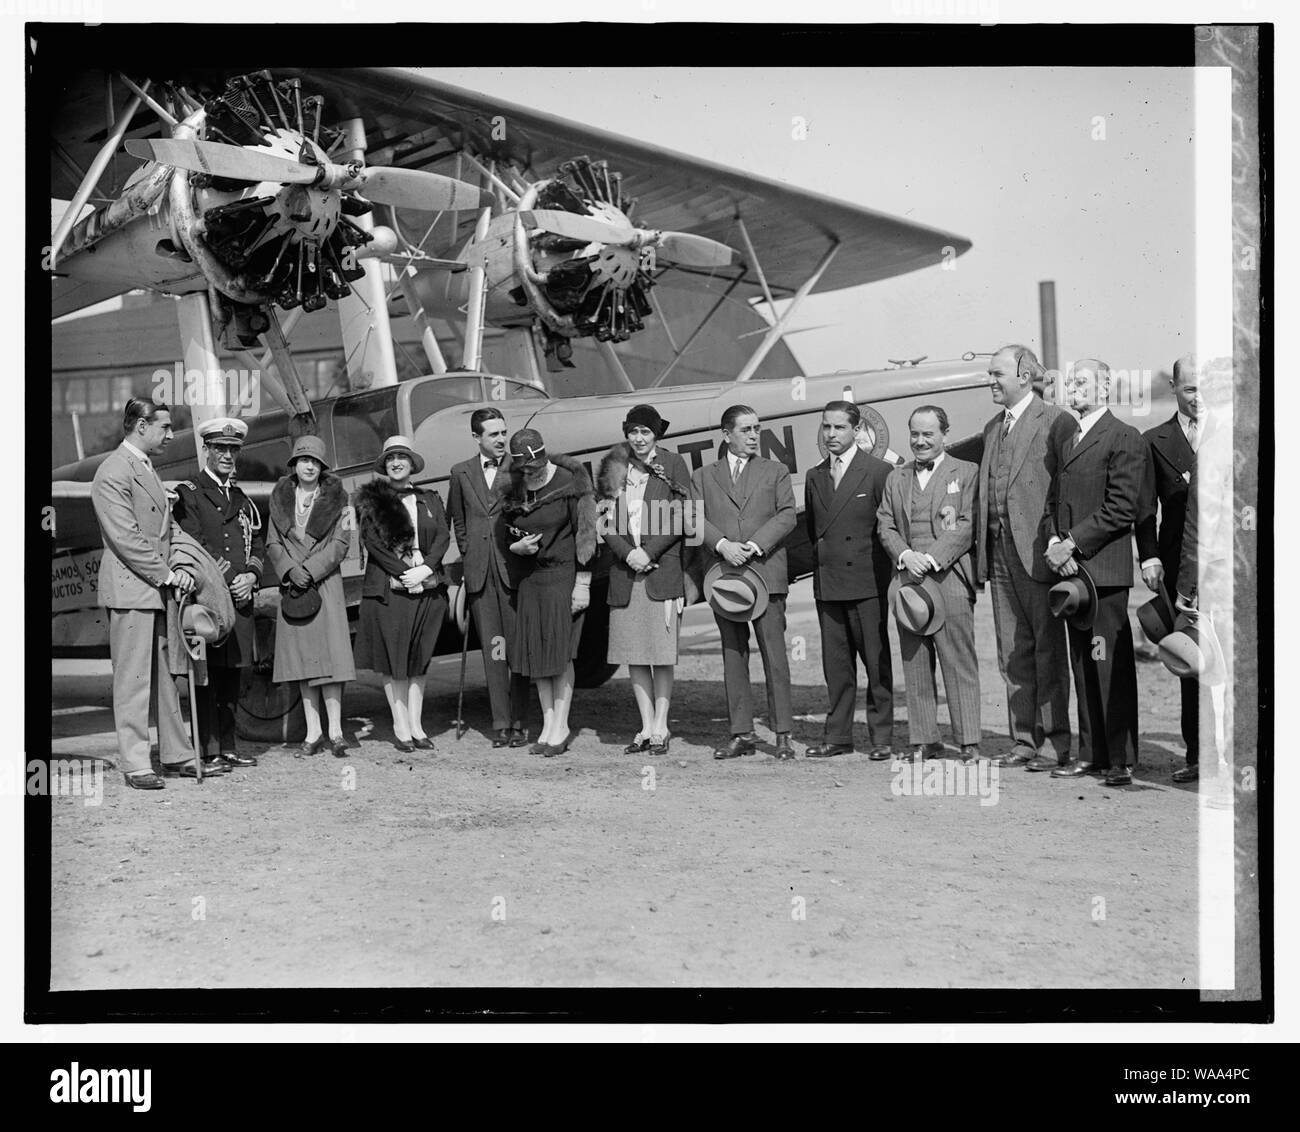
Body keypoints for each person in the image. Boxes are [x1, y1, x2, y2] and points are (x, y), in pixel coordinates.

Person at [1041, 358, 1145, 787]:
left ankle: (1120, 758)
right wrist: (1053, 542)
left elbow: (1123, 507)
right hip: (1071, 575)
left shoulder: (1124, 437)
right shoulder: (1069, 439)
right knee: (1083, 664)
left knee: (1110, 665)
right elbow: (1054, 503)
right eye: (1071, 383)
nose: (1074, 389)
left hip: (1103, 575)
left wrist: (1073, 543)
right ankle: (1091, 753)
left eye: (1083, 382)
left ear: (1105, 387)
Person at [92, 397, 203, 790]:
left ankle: (175, 754)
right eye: (165, 427)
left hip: (154, 589)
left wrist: (180, 572)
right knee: (134, 680)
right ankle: (136, 764)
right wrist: (168, 575)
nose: (172, 434)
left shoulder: (144, 467)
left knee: (167, 677)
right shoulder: (113, 472)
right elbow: (126, 538)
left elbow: (161, 531)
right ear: (141, 425)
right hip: (132, 590)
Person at [976, 345, 1077, 771]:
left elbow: (1068, 488)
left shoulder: (1056, 420)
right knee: (1012, 650)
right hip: (1000, 555)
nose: (991, 381)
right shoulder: (991, 427)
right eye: (989, 374)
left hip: (1039, 555)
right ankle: (1023, 739)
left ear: (1024, 374)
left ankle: (1056, 741)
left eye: (997, 373)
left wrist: (1061, 541)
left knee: (1047, 651)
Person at [692, 404, 798, 760]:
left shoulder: (776, 470)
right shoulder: (704, 476)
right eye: (746, 430)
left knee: (775, 654)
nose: (754, 436)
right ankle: (742, 733)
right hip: (724, 578)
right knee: (733, 654)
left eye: (757, 429)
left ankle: (783, 733)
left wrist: (752, 546)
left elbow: (787, 515)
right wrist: (723, 546)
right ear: (726, 435)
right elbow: (693, 519)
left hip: (766, 573)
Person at [877, 405, 982, 762]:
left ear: (945, 435)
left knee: (957, 660)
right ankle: (925, 739)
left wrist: (933, 558)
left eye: (928, 434)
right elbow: (885, 525)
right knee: (915, 661)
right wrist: (906, 557)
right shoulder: (896, 478)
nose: (920, 442)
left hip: (949, 578)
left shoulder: (967, 472)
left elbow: (968, 523)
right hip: (908, 581)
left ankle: (968, 741)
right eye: (915, 435)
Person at [597, 404, 693, 757]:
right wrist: (628, 554)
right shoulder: (613, 467)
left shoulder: (674, 464)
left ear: (657, 435)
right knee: (634, 653)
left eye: (645, 432)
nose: (638, 439)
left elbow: (684, 515)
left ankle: (661, 726)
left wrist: (648, 553)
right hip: (626, 574)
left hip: (659, 571)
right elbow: (604, 521)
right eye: (633, 431)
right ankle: (644, 724)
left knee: (661, 653)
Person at [495, 427, 598, 757]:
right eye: (523, 468)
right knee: (537, 655)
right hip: (531, 580)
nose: (528, 473)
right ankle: (548, 723)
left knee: (559, 653)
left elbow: (585, 535)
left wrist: (582, 584)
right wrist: (516, 546)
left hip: (562, 577)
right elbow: (503, 531)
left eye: (533, 467)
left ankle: (562, 726)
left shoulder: (569, 482)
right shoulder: (515, 484)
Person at [802, 400, 895, 760]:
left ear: (857, 430)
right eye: (826, 427)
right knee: (836, 666)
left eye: (839, 428)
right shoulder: (814, 475)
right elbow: (814, 531)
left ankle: (882, 738)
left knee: (876, 663)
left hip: (867, 583)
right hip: (829, 584)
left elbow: (887, 528)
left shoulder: (878, 471)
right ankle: (838, 736)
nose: (831, 435)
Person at [171, 417, 265, 771]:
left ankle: (227, 746)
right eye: (220, 449)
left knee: (232, 678)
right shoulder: (189, 493)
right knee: (206, 677)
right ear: (206, 450)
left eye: (233, 449)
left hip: (240, 599)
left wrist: (252, 576)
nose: (227, 455)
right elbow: (196, 543)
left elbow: (256, 541)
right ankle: (207, 750)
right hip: (209, 600)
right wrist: (232, 578)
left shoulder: (240, 498)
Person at [1136, 356, 1210, 782]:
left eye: (1206, 388)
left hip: (1225, 565)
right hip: (1178, 564)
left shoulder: (1233, 432)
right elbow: (1146, 509)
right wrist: (1150, 557)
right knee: (1188, 655)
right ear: (1174, 390)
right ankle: (1196, 754)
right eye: (1190, 389)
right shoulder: (1154, 440)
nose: (1200, 398)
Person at [354, 436, 450, 753]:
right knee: (395, 659)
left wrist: (427, 569)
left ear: (411, 464)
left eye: (402, 457)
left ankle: (417, 724)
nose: (397, 462)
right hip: (390, 589)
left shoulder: (430, 499)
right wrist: (404, 572)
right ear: (385, 465)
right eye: (391, 458)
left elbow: (443, 537)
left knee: (419, 657)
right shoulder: (372, 501)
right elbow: (373, 543)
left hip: (427, 586)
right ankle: (401, 725)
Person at [265, 435, 355, 758]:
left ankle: (337, 732)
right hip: (295, 588)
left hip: (325, 585)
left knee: (331, 661)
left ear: (322, 467)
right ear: (294, 464)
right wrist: (290, 570)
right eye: (303, 460)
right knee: (303, 663)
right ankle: (313, 732)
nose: (309, 466)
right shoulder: (278, 500)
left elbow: (343, 544)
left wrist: (311, 571)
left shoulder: (343, 500)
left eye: (315, 461)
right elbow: (272, 543)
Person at [447, 408, 529, 748]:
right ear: (476, 437)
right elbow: (459, 520)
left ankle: (521, 720)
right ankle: (501, 724)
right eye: (493, 434)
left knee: (518, 650)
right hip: (480, 574)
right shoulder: (460, 472)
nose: (500, 440)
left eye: (503, 433)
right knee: (494, 651)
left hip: (514, 570)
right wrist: (469, 555)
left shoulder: (520, 468)